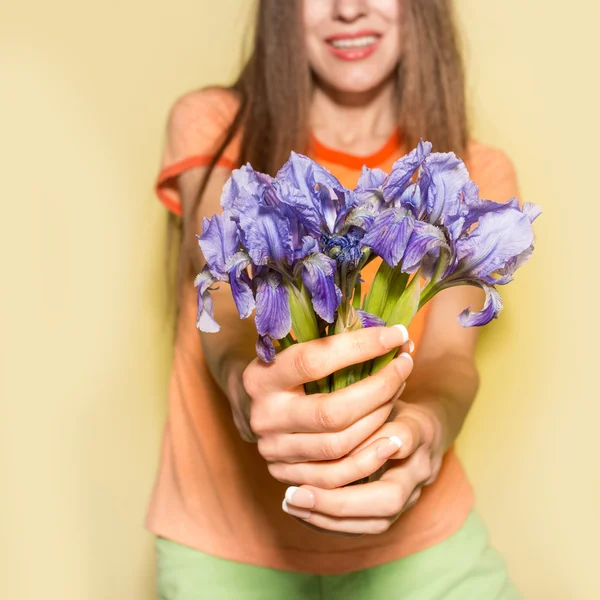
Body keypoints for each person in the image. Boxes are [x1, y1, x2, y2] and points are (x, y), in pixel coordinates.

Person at [147, 1, 522, 597]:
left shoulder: (474, 174)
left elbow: (452, 358)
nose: (349, 8)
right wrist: (253, 386)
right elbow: (221, 302)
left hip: (422, 550)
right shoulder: (215, 125)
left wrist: (423, 430)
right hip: (225, 550)